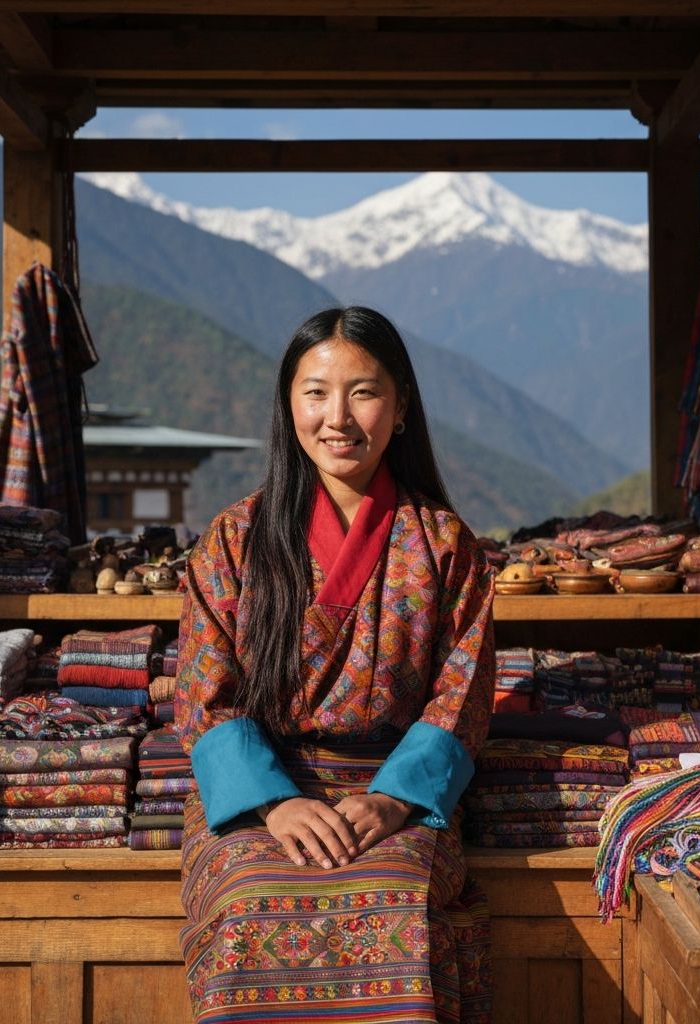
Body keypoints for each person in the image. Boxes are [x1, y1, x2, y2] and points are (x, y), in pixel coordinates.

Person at [175, 306, 496, 1023]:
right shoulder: (234, 539)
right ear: (289, 404)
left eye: (364, 391)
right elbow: (206, 696)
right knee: (248, 896)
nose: (338, 417)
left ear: (402, 407)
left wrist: (392, 800)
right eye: (316, 391)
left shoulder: (444, 544)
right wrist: (275, 801)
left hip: (392, 794)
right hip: (260, 792)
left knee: (395, 899)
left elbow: (461, 695)